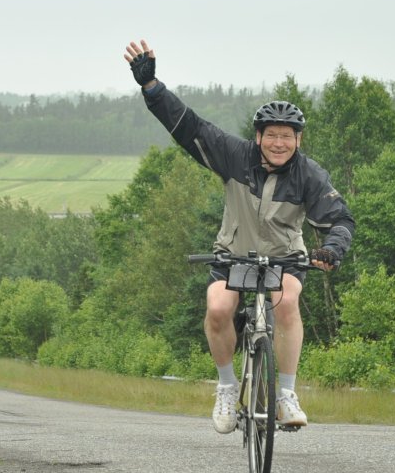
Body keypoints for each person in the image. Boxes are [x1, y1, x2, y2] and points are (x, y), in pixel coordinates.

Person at [123, 39, 355, 433]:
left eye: (287, 136)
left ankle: (285, 394)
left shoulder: (309, 175)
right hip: (233, 256)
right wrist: (151, 88)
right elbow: (188, 127)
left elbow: (340, 220)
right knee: (217, 308)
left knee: (286, 304)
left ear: (298, 140)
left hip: (285, 260)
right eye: (271, 135)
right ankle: (228, 388)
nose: (279, 143)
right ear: (259, 136)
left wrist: (332, 249)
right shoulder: (235, 155)